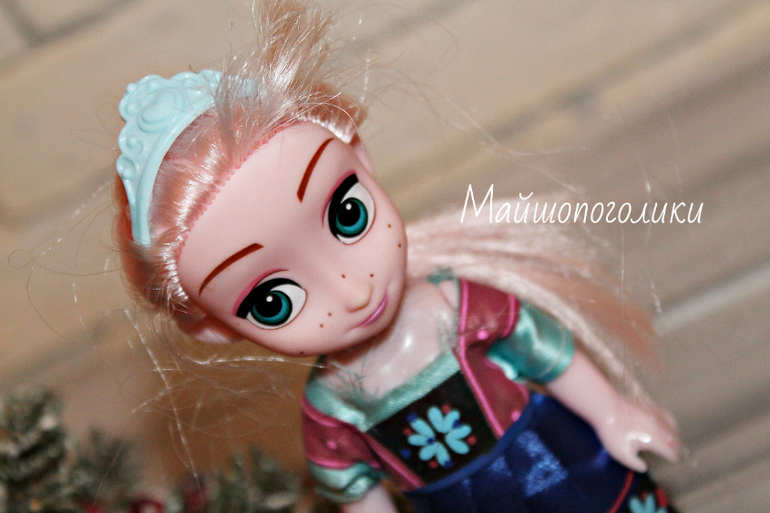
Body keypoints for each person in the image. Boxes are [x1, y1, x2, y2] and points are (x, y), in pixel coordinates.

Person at [114, 1, 679, 511]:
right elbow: (358, 493)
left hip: (556, 462)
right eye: (273, 301)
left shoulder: (451, 308)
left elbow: (544, 351)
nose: (353, 290)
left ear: (360, 157)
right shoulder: (333, 406)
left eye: (348, 215)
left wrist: (611, 412)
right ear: (211, 327)